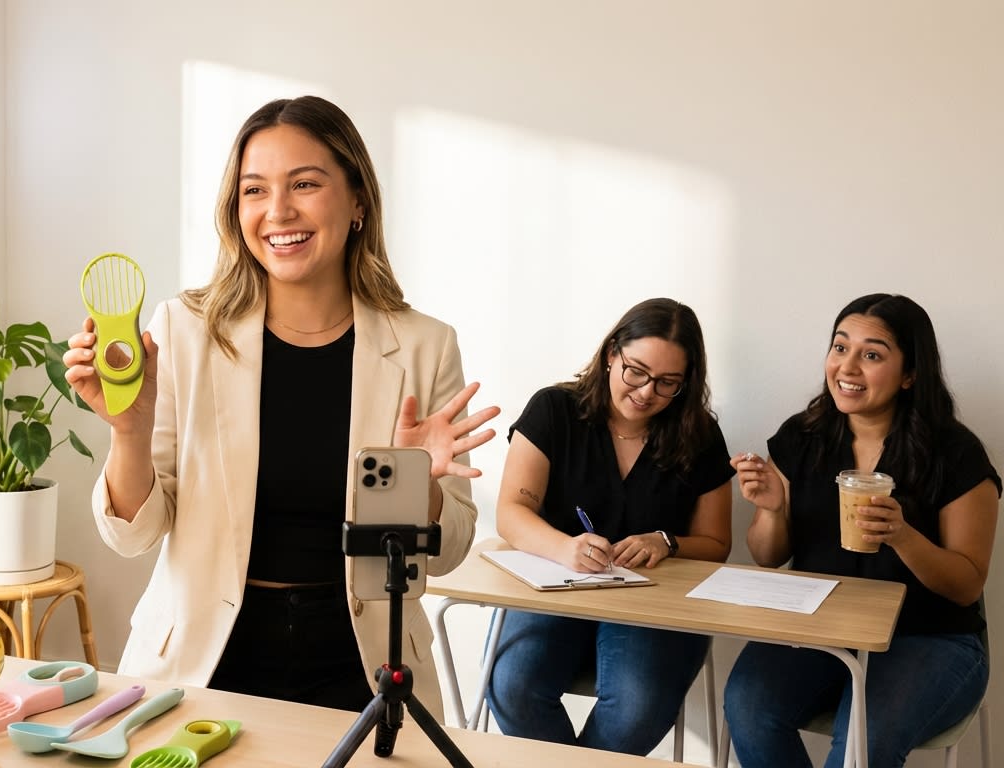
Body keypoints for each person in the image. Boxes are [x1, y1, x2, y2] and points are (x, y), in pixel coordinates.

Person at [63, 95, 500, 714]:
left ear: (357, 201)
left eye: (304, 184)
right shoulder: (184, 330)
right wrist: (128, 431)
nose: (278, 211)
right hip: (207, 657)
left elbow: (449, 552)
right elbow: (133, 535)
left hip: (362, 662)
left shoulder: (426, 346)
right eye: (254, 190)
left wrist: (417, 488)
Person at [724, 294, 999, 768]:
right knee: (748, 705)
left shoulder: (956, 455)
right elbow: (768, 557)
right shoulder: (803, 437)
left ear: (910, 375)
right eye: (839, 347)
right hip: (823, 626)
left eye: (871, 355)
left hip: (930, 637)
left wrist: (902, 535)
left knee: (860, 745)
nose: (847, 366)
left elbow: (966, 584)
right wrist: (771, 511)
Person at [485, 297, 733, 755]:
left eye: (667, 383)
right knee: (511, 685)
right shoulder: (555, 409)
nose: (645, 392)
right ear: (611, 353)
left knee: (638, 706)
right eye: (636, 371)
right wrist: (565, 548)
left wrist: (667, 542)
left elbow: (717, 544)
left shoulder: (698, 435)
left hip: (651, 601)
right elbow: (511, 514)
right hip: (555, 586)